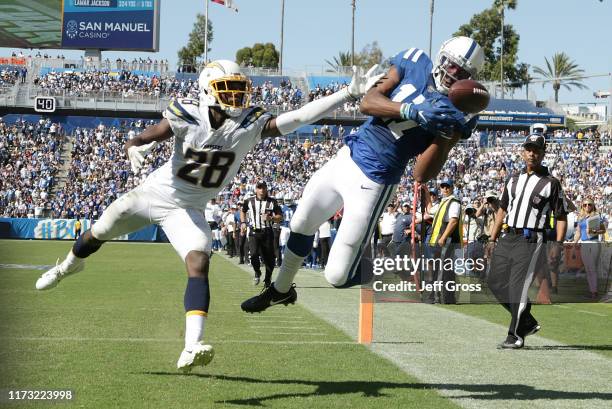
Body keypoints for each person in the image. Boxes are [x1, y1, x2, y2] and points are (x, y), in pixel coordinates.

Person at [34, 59, 379, 371]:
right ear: (206, 90)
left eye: (240, 89)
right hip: (154, 194)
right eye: (228, 89)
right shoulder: (187, 112)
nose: (236, 96)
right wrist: (133, 147)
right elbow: (143, 136)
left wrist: (347, 93)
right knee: (99, 230)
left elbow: (300, 117)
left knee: (199, 260)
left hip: (189, 208)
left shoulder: (249, 122)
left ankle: (192, 344)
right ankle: (67, 266)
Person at [242, 36, 484, 312]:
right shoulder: (415, 60)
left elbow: (421, 174)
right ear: (441, 56)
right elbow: (368, 102)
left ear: (470, 76)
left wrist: (444, 135)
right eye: (450, 65)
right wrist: (411, 111)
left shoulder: (461, 110)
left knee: (336, 275)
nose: (452, 74)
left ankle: (393, 270)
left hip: (375, 181)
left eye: (461, 71)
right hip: (347, 157)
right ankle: (281, 289)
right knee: (299, 224)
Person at [487, 134, 568, 349]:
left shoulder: (551, 183)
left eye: (536, 150)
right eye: (529, 149)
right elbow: (502, 210)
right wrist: (492, 238)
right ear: (523, 152)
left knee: (518, 286)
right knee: (494, 282)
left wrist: (558, 245)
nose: (532, 153)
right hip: (508, 236)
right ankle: (527, 321)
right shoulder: (512, 179)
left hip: (531, 237)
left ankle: (516, 335)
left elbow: (561, 216)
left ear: (543, 153)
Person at [426, 179, 462, 304]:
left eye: (447, 187)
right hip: (439, 240)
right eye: (443, 187)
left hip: (446, 240)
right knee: (440, 268)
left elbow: (453, 221)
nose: (445, 189)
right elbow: (430, 210)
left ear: (452, 188)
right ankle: (439, 296)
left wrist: (443, 237)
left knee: (444, 269)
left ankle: (443, 297)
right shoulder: (443, 202)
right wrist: (425, 192)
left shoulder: (453, 202)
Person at [241, 181, 282, 287]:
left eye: (263, 188)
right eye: (259, 188)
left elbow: (280, 217)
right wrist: (243, 222)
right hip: (254, 232)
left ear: (266, 189)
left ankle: (268, 278)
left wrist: (271, 218)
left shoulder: (272, 202)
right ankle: (257, 272)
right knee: (253, 254)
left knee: (269, 257)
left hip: (267, 232)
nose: (261, 190)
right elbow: (243, 210)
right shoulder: (249, 201)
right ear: (256, 189)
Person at [573, 198, 606, 299]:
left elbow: (603, 230)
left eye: (589, 204)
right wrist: (574, 243)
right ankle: (592, 291)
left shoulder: (596, 217)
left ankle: (594, 292)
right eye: (585, 205)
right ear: (582, 206)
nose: (587, 206)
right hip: (584, 243)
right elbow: (578, 232)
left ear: (593, 206)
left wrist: (594, 232)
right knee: (588, 269)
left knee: (592, 268)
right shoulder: (581, 217)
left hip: (593, 243)